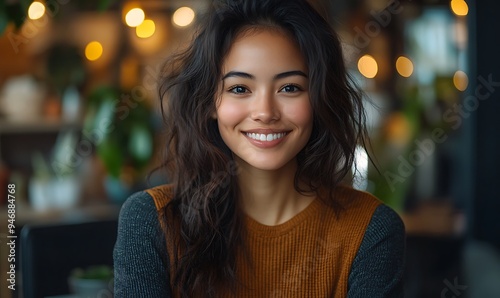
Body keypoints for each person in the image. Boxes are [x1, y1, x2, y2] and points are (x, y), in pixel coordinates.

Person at [113, 0, 405, 297]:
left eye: (290, 87)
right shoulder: (152, 221)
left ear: (319, 99)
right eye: (240, 89)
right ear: (209, 103)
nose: (265, 112)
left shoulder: (371, 231)